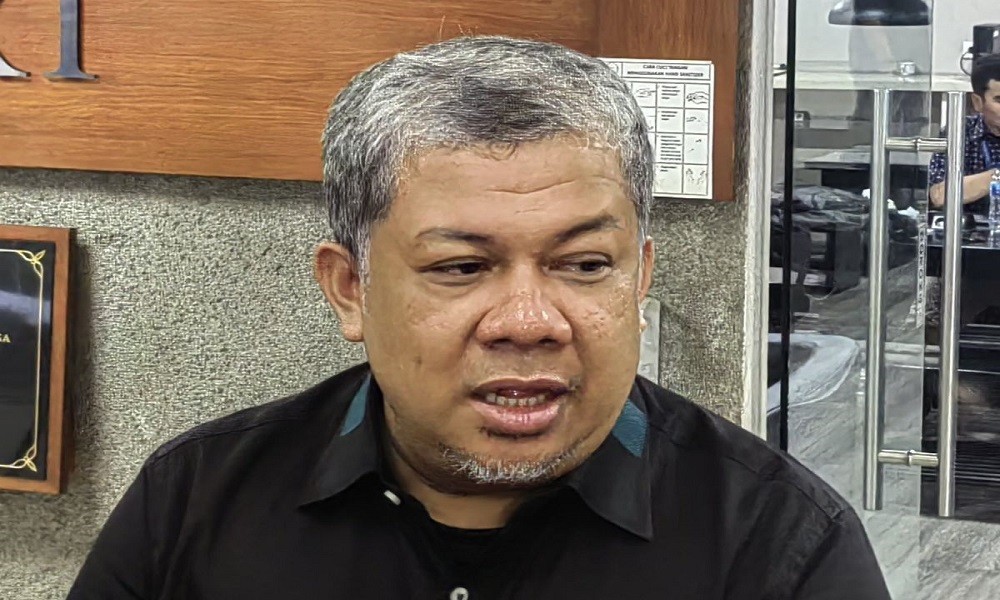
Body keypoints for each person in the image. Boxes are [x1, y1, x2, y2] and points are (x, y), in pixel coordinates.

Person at [68, 36, 890, 599]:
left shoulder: (781, 548)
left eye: (585, 265)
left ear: (639, 276)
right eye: (460, 268)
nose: (528, 321)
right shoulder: (196, 506)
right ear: (350, 289)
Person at [929, 53, 1000, 210]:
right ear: (977, 102)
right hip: (972, 224)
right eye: (999, 100)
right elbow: (939, 195)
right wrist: (996, 176)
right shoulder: (961, 131)